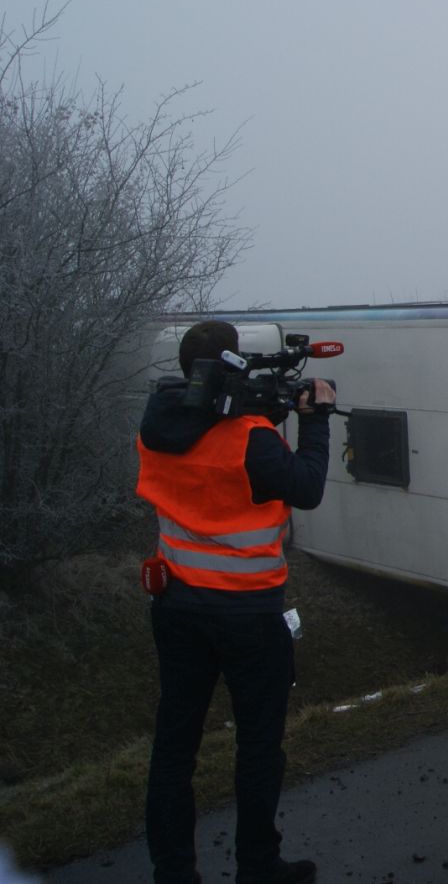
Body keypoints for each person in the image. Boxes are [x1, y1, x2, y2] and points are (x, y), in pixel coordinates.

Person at [136, 320, 334, 884]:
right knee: (258, 748)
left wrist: (262, 412)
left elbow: (210, 443)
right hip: (248, 612)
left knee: (174, 747)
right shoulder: (250, 438)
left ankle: (173, 873)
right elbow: (306, 486)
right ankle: (258, 865)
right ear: (231, 364)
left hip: (176, 607)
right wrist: (313, 420)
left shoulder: (156, 426)